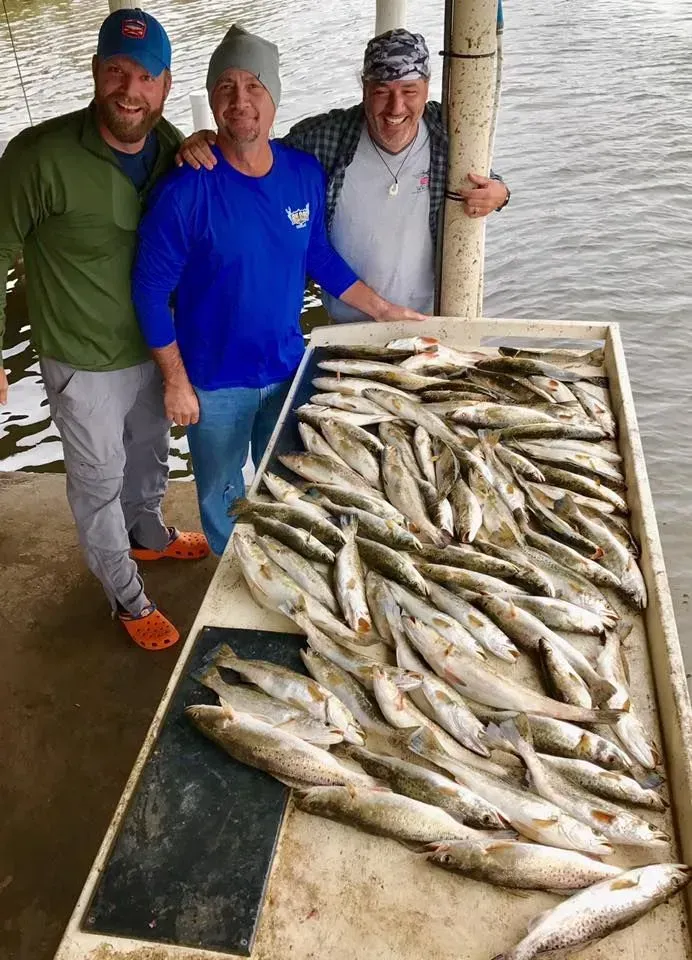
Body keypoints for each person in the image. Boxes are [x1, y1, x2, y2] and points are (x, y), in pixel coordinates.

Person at [132, 24, 425, 558]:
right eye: (225, 88)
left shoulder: (302, 173)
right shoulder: (184, 191)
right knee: (223, 497)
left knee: (294, 485)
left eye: (253, 88)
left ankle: (288, 567)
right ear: (212, 100)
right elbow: (150, 293)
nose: (239, 102)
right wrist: (175, 381)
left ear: (274, 98)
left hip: (288, 369)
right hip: (214, 384)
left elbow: (317, 256)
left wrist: (383, 309)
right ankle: (233, 575)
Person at [0, 8, 210, 652]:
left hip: (155, 349)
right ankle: (124, 595)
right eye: (116, 71)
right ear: (95, 71)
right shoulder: (37, 157)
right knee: (98, 480)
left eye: (145, 76)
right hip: (82, 360)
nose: (129, 89)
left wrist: (202, 150)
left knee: (149, 460)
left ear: (166, 85)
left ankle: (149, 536)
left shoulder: (175, 147)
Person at [178, 27, 511, 323]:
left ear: (426, 88)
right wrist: (209, 141)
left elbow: (484, 178)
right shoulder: (325, 138)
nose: (396, 107)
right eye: (381, 91)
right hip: (349, 326)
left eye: (408, 91)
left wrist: (500, 194)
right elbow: (253, 152)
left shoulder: (449, 134)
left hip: (428, 320)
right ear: (364, 88)